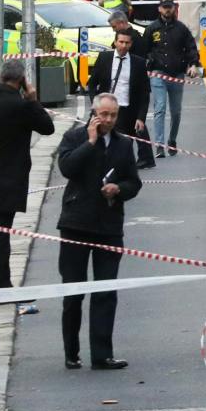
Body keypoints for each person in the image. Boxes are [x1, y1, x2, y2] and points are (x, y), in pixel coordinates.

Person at [56, 92, 141, 368]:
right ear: (93, 114)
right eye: (104, 115)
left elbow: (134, 182)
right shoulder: (75, 137)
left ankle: (102, 354)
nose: (108, 120)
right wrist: (90, 143)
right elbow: (67, 168)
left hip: (108, 225)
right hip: (76, 224)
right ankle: (71, 352)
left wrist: (119, 190)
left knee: (106, 292)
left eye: (113, 115)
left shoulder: (124, 144)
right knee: (73, 292)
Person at [0, 58, 55, 312]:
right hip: (11, 176)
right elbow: (48, 128)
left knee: (1, 231)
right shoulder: (21, 106)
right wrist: (33, 99)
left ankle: (1, 284)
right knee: (1, 233)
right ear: (21, 81)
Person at [89, 28, 154, 169]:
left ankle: (120, 170)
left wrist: (141, 118)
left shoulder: (138, 63)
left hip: (127, 111)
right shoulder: (104, 58)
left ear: (131, 44)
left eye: (127, 43)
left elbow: (145, 93)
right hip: (106, 109)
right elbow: (92, 84)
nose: (124, 46)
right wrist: (95, 104)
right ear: (115, 42)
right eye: (121, 42)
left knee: (123, 145)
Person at [145, 0, 200, 157]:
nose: (167, 9)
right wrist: (149, 62)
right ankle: (160, 145)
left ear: (174, 8)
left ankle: (172, 140)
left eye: (170, 7)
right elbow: (144, 49)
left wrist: (193, 64)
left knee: (176, 112)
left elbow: (191, 48)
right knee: (160, 108)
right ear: (159, 9)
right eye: (164, 7)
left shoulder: (182, 29)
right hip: (158, 73)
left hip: (177, 74)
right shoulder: (152, 29)